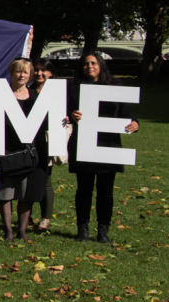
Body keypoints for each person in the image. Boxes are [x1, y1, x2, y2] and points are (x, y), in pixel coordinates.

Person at [66, 53, 138, 244]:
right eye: (86, 64)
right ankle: (82, 229)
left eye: (93, 63)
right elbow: (65, 113)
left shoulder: (115, 87)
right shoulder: (74, 88)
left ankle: (103, 230)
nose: (89, 66)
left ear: (101, 65)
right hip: (84, 144)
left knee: (106, 191)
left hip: (109, 145)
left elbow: (127, 114)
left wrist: (135, 124)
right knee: (84, 189)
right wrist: (72, 115)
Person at [0, 58, 45, 242]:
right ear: (11, 72)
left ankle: (21, 230)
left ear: (30, 75)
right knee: (6, 193)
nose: (21, 75)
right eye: (18, 71)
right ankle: (8, 230)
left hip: (29, 153)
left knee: (26, 193)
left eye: (25, 72)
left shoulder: (36, 98)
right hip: (7, 150)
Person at [30, 58, 57, 231]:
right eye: (37, 70)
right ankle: (27, 216)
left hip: (47, 139)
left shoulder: (58, 92)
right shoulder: (28, 90)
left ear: (51, 73)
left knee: (45, 177)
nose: (40, 73)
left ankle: (45, 217)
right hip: (28, 140)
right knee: (28, 177)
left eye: (44, 70)